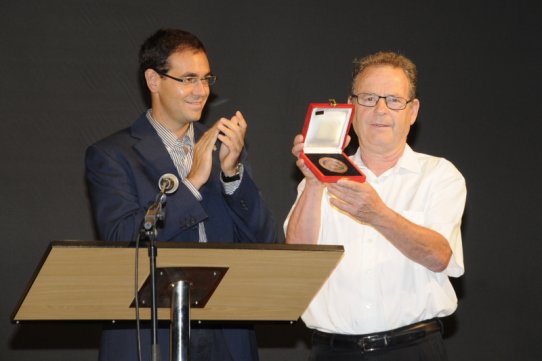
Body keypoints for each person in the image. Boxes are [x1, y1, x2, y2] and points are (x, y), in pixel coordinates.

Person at [85, 28, 277, 361]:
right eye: (188, 79)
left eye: (206, 79)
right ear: (153, 80)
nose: (201, 91)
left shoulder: (224, 148)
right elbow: (121, 237)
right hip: (151, 331)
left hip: (225, 331)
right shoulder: (113, 155)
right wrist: (190, 184)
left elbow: (267, 241)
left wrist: (232, 176)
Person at [285, 51, 466, 361]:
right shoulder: (321, 177)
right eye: (368, 98)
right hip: (333, 352)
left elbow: (439, 256)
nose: (380, 110)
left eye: (394, 100)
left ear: (413, 111)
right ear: (351, 107)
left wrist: (378, 214)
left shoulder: (438, 175)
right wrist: (315, 180)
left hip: (412, 349)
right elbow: (297, 259)